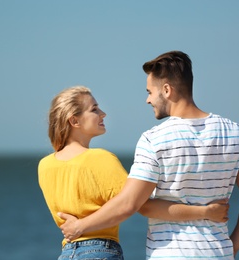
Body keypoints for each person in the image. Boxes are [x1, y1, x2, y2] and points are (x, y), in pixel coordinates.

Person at [59, 51, 239, 259]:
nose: (148, 100)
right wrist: (232, 247)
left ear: (166, 90)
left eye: (150, 92)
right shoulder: (236, 132)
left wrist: (79, 227)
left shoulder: (153, 139)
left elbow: (131, 203)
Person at [38, 86, 229, 259]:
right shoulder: (100, 159)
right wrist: (206, 212)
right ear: (74, 121)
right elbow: (139, 205)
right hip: (99, 251)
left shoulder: (45, 166)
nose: (103, 114)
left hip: (67, 253)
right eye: (94, 109)